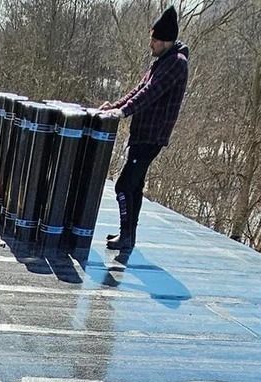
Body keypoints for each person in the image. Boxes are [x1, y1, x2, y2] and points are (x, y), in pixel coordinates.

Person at [101, 7, 189, 255]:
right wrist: (115, 106)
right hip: (142, 134)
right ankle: (128, 234)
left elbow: (151, 94)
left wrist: (124, 112)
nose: (150, 43)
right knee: (134, 186)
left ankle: (127, 235)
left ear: (166, 40)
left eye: (154, 39)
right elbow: (139, 90)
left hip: (152, 136)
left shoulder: (176, 64)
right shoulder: (161, 62)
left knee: (123, 186)